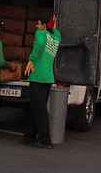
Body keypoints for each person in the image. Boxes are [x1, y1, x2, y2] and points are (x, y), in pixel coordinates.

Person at [21, 15, 61, 149]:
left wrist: (31, 60)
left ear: (43, 25)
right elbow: (55, 31)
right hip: (48, 77)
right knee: (37, 107)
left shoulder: (40, 34)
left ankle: (45, 140)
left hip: (38, 76)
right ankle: (29, 137)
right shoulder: (56, 37)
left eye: (38, 23)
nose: (36, 26)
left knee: (40, 109)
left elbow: (38, 47)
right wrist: (52, 26)